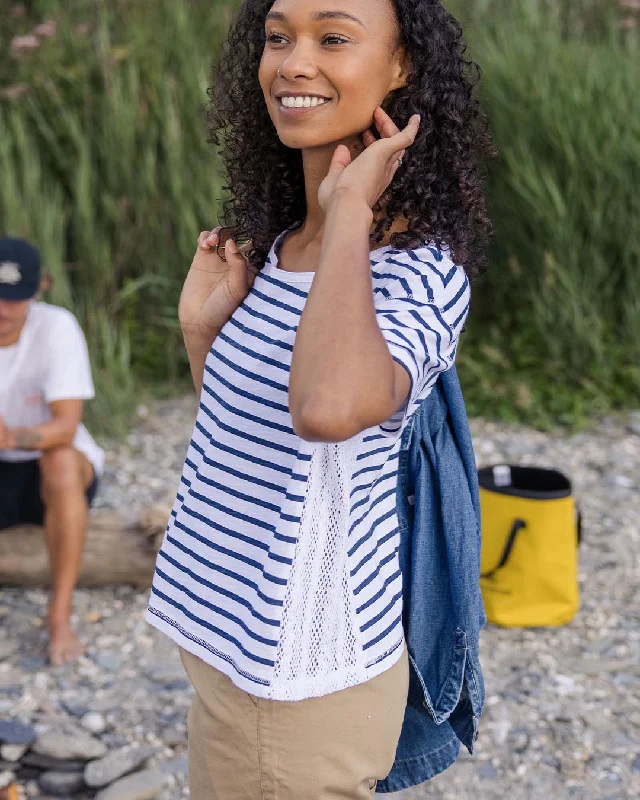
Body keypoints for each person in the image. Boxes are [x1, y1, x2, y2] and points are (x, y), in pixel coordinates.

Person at [146, 0, 493, 797]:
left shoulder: (417, 271)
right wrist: (205, 336)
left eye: (332, 38)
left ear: (403, 67)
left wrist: (349, 215)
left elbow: (329, 409)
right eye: (277, 37)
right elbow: (265, 452)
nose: (292, 63)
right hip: (226, 644)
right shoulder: (284, 250)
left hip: (293, 680)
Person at [0, 237, 104, 666]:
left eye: (15, 299)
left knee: (60, 460)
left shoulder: (56, 326)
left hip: (52, 472)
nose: (3, 310)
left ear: (39, 288)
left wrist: (10, 438)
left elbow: (65, 426)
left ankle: (59, 615)